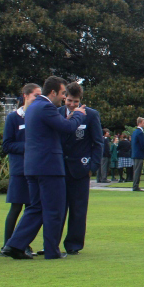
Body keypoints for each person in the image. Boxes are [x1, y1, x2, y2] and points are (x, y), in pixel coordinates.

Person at [1, 76, 86, 260]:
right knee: (54, 209)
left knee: (36, 207)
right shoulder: (46, 107)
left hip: (32, 166)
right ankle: (52, 250)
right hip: (49, 166)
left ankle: (14, 245)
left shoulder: (32, 108)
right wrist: (78, 114)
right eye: (63, 93)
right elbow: (67, 127)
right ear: (53, 92)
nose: (64, 98)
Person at [57, 82, 104, 255]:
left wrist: (93, 165)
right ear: (64, 98)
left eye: (75, 102)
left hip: (81, 168)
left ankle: (74, 245)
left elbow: (98, 142)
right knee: (58, 209)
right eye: (69, 100)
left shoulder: (91, 115)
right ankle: (53, 243)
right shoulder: (57, 114)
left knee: (78, 209)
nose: (71, 104)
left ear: (80, 100)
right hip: (60, 168)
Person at [0, 83, 41, 254]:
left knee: (31, 208)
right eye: (36, 95)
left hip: (35, 168)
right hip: (19, 170)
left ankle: (22, 243)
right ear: (25, 95)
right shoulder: (13, 118)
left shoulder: (38, 116)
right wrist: (29, 146)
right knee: (16, 207)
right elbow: (7, 145)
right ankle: (7, 244)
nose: (38, 99)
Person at [130, 118, 144, 192]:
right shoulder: (140, 132)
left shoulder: (135, 132)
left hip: (135, 153)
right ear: (140, 123)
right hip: (139, 154)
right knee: (138, 170)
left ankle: (135, 185)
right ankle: (135, 186)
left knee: (136, 170)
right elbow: (142, 144)